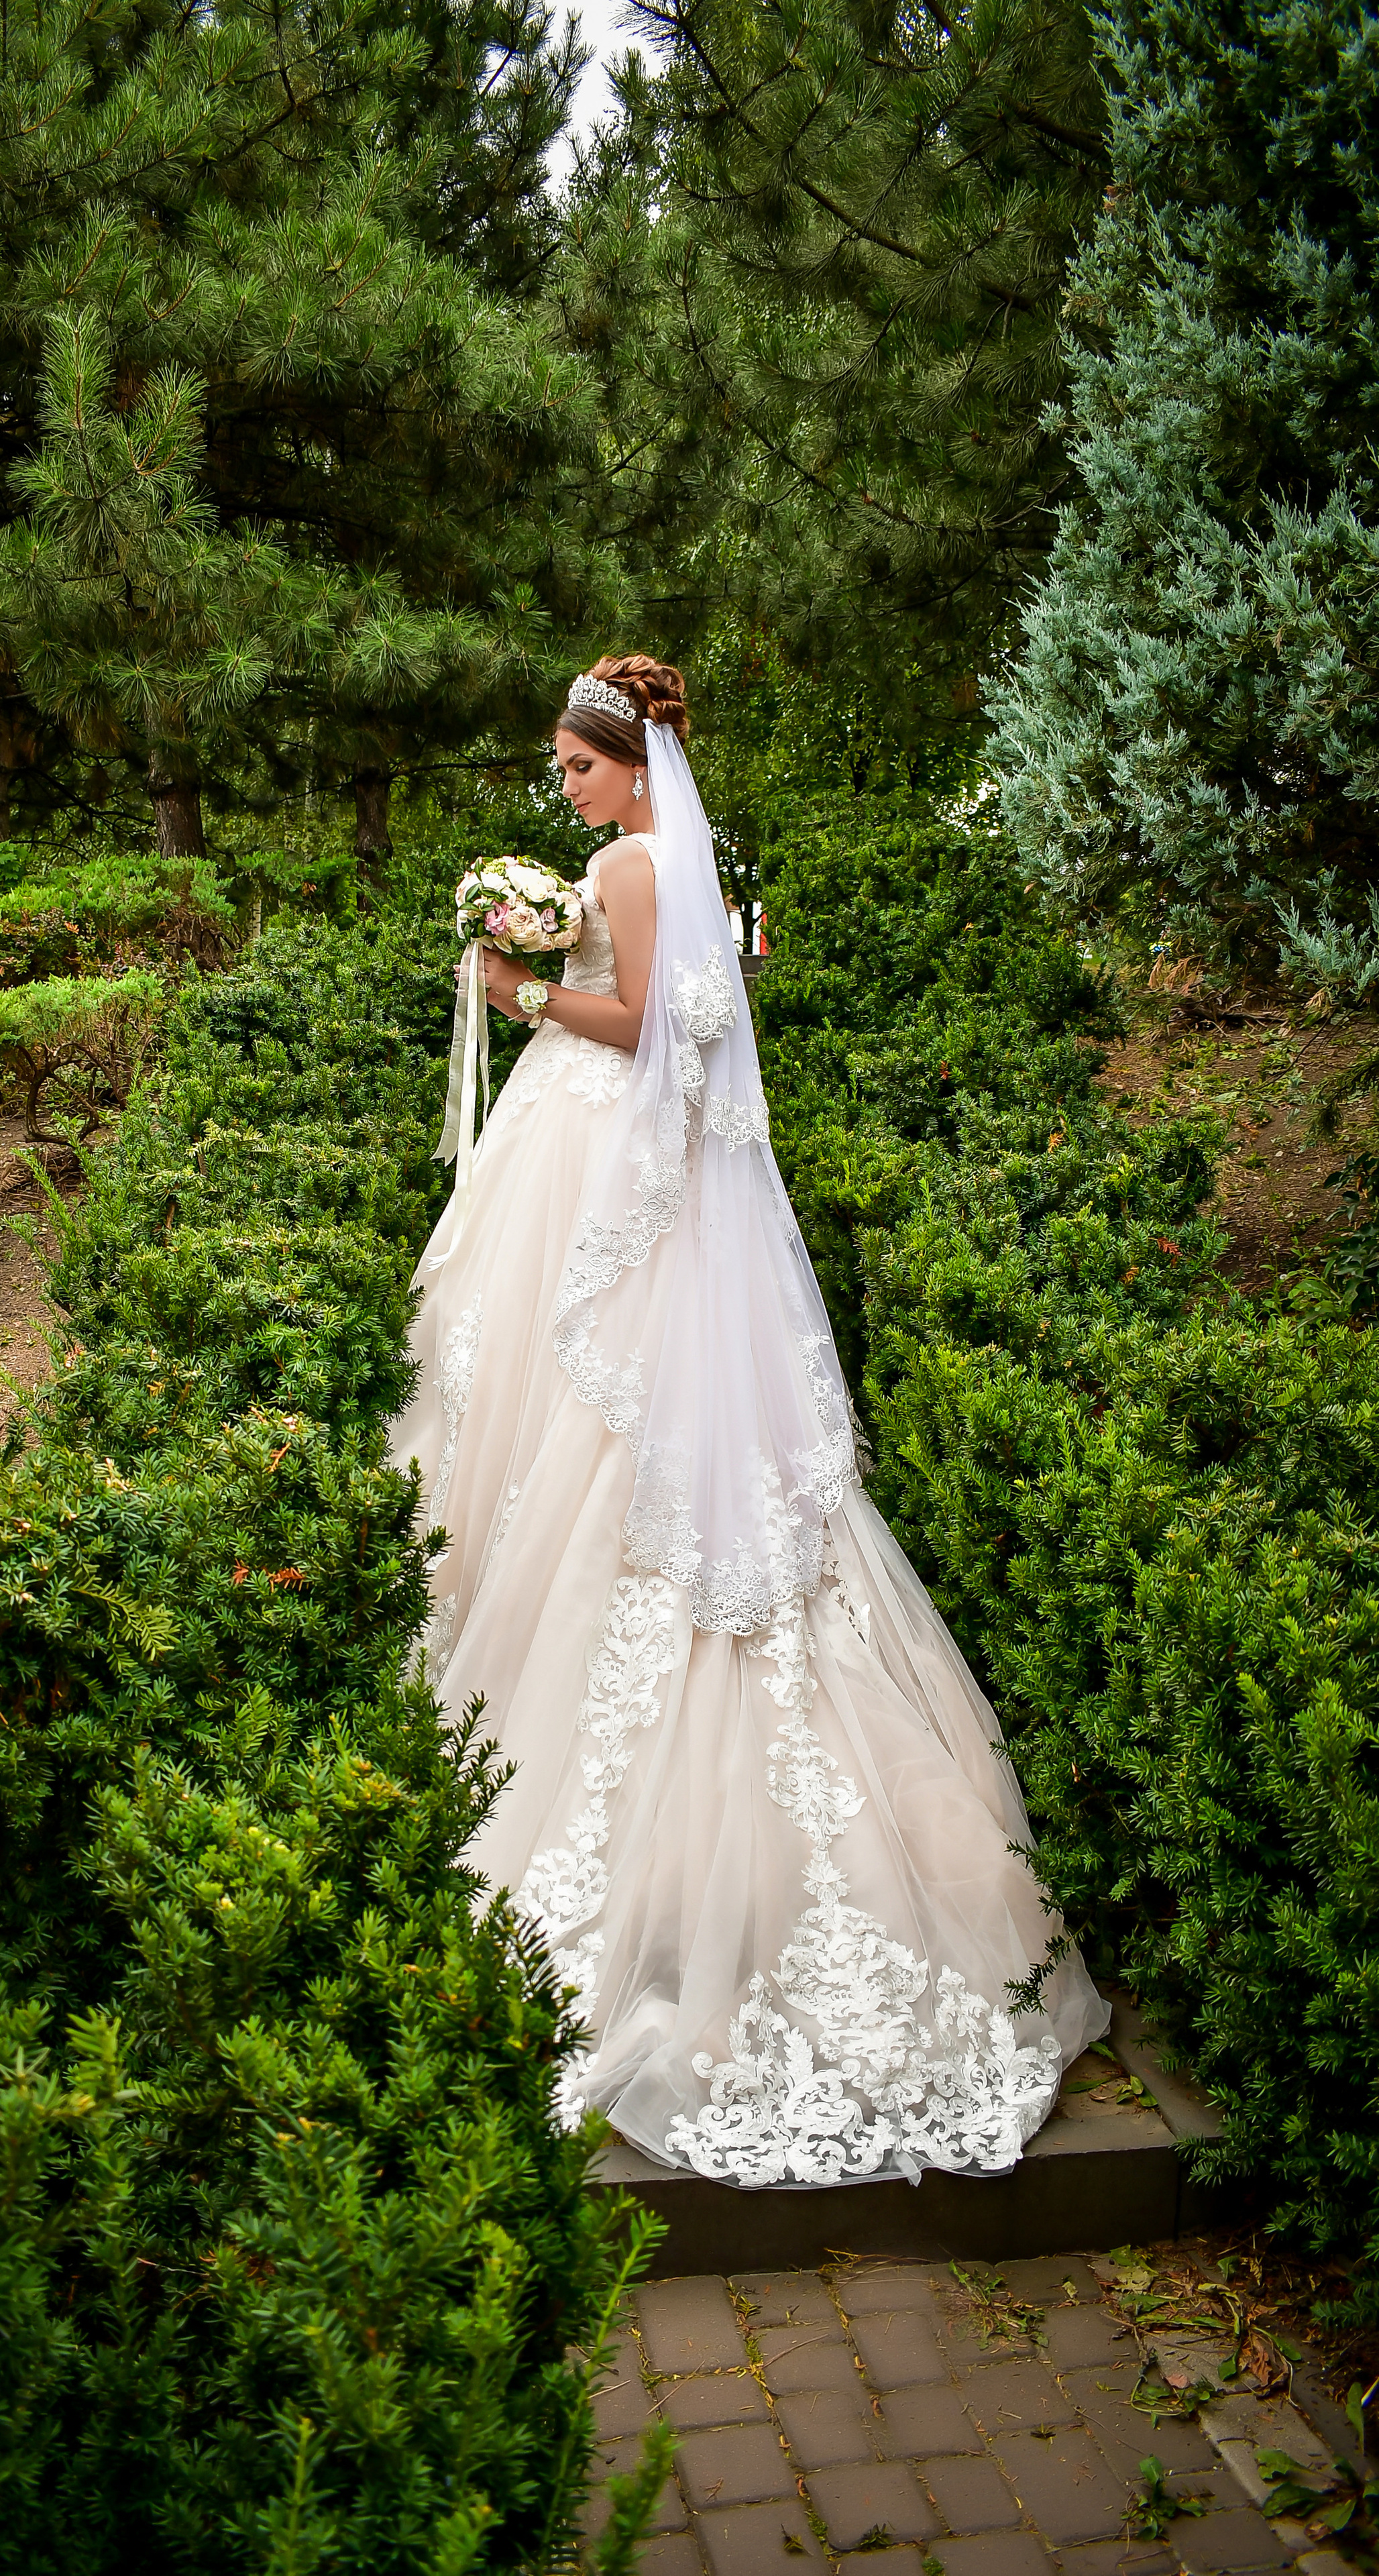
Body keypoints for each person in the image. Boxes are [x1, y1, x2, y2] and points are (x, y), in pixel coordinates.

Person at [388, 653, 1107, 2190]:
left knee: (588, 1431)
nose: (562, 789)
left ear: (624, 762)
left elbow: (644, 1025)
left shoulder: (627, 859)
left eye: (574, 767)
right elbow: (714, 1003)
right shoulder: (685, 862)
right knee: (600, 1447)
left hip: (607, 1175)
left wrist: (520, 988)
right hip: (634, 1174)